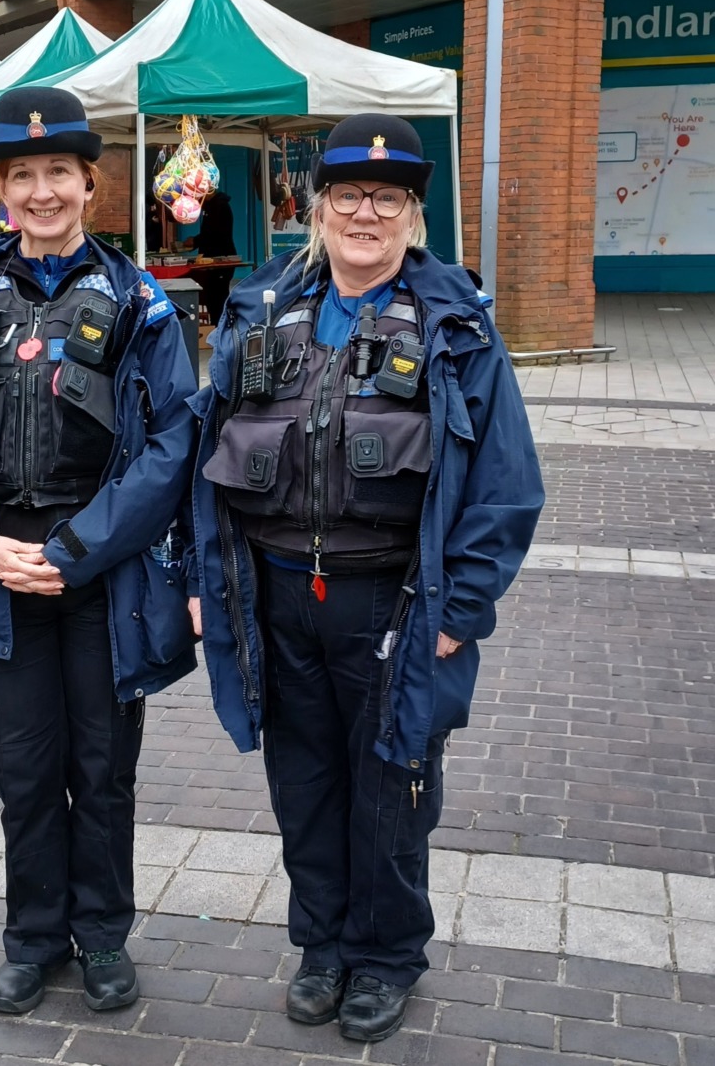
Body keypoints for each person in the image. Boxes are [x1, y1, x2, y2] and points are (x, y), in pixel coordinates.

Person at [187, 114, 544, 1043]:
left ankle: (385, 957)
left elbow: (507, 488)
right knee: (302, 784)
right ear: (318, 206)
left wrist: (460, 611)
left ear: (412, 214)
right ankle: (323, 948)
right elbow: (199, 458)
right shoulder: (262, 310)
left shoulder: (456, 327)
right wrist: (201, 579)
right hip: (276, 598)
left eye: (386, 197)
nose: (365, 212)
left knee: (393, 785)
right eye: (347, 193)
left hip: (395, 603)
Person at [0, 86, 197, 1018]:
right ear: (2, 190)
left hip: (99, 576)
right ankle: (32, 937)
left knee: (102, 771)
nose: (40, 191)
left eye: (57, 172)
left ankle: (102, 935)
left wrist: (76, 546)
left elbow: (171, 445)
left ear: (90, 185)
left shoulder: (140, 303)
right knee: (23, 770)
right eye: (21, 175)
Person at [186, 189, 236, 322]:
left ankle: (220, 327)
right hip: (212, 258)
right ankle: (216, 327)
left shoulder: (219, 207)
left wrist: (196, 241)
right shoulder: (211, 207)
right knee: (212, 297)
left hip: (220, 260)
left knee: (217, 298)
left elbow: (214, 234)